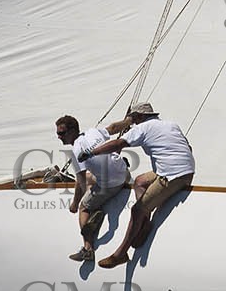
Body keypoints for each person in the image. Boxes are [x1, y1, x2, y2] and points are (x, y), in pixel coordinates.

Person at [77, 102, 195, 269]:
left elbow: (118, 144)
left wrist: (91, 153)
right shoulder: (171, 125)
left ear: (140, 116)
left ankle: (121, 254)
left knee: (137, 209)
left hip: (172, 176)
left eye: (133, 119)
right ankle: (145, 222)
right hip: (187, 170)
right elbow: (187, 147)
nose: (132, 123)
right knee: (140, 181)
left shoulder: (143, 127)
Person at [56, 114, 132, 262]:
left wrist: (75, 204)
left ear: (72, 131)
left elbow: (80, 183)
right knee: (92, 177)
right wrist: (129, 121)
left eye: (61, 133)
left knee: (84, 207)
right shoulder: (92, 132)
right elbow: (113, 128)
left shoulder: (76, 152)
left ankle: (87, 249)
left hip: (113, 184)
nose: (59, 136)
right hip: (124, 171)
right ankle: (96, 205)